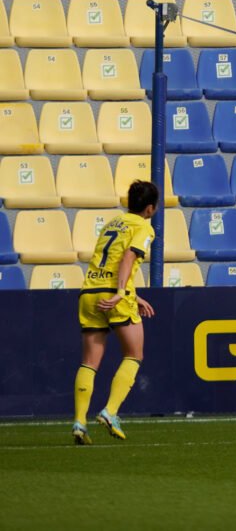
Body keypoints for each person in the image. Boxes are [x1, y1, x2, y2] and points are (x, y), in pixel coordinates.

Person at [72, 180, 159, 445]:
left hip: (90, 292)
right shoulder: (143, 226)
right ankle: (110, 412)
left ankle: (79, 422)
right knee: (134, 355)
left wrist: (134, 295)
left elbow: (108, 262)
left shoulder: (112, 224)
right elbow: (128, 258)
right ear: (150, 208)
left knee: (89, 362)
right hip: (114, 295)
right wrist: (122, 293)